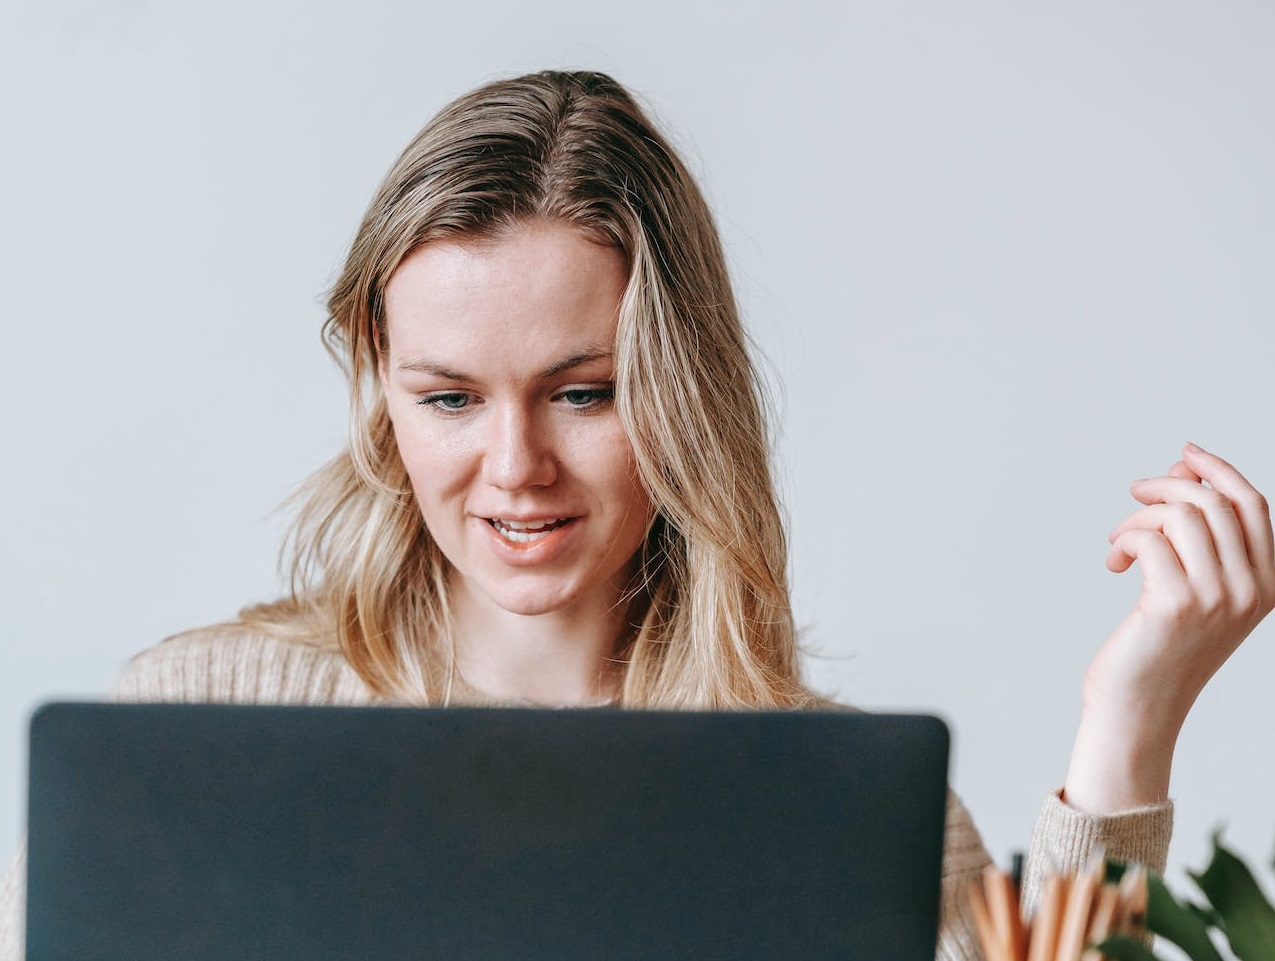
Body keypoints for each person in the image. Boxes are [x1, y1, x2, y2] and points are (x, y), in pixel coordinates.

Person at [1, 69, 1271, 961]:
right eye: (449, 398)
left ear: (681, 395)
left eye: (584, 393)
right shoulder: (204, 719)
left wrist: (1134, 717)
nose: (515, 467)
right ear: (381, 395)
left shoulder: (828, 804)